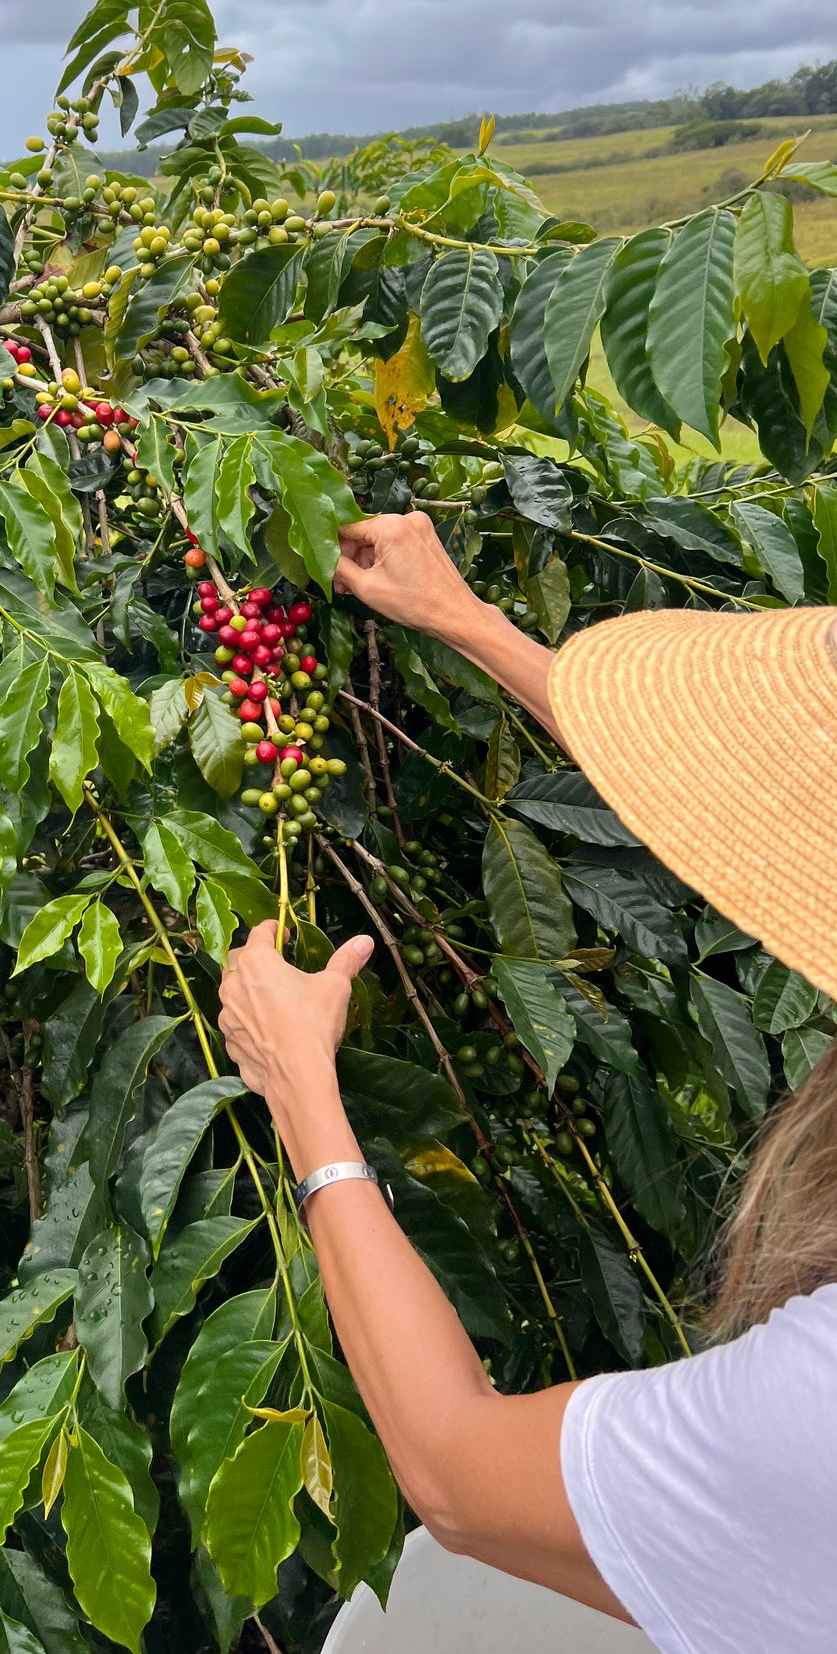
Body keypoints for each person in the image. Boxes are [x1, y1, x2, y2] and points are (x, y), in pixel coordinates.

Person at [217, 511, 837, 1654]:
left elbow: (452, 1467)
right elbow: (757, 822)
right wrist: (458, 618)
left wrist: (300, 1088)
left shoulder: (813, 1412)